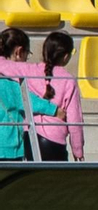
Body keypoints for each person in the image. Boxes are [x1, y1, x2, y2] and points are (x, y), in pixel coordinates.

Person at [0, 29, 58, 162]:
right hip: (8, 147)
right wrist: (55, 110)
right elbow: (27, 99)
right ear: (19, 52)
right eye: (27, 54)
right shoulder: (9, 81)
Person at [28, 32, 83, 163]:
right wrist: (78, 149)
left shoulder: (29, 72)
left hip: (29, 136)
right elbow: (74, 119)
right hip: (54, 141)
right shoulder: (68, 80)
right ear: (66, 56)